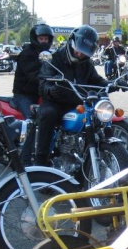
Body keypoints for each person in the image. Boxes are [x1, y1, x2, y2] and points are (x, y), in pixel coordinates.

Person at [36, 25, 119, 167]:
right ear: (71, 42)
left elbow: (96, 80)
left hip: (78, 101)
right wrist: (52, 90)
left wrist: (113, 83)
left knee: (96, 115)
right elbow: (43, 85)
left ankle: (89, 153)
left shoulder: (86, 63)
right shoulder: (54, 59)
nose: (80, 54)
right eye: (78, 50)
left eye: (84, 52)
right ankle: (41, 161)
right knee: (48, 114)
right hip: (56, 102)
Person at [12, 23, 54, 165]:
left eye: (46, 39)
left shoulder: (48, 55)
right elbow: (34, 75)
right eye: (41, 38)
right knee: (32, 122)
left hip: (40, 94)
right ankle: (25, 161)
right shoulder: (27, 54)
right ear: (35, 39)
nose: (44, 41)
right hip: (23, 95)